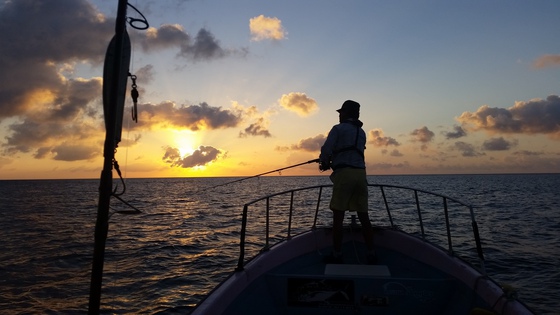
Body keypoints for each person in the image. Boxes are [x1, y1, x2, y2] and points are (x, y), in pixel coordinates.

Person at [319, 100, 376, 264]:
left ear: (345, 113)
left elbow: (326, 149)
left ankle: (337, 254)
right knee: (364, 217)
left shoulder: (338, 129)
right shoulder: (362, 132)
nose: (339, 115)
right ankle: (371, 253)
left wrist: (324, 162)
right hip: (360, 174)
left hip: (344, 175)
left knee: (338, 217)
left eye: (340, 112)